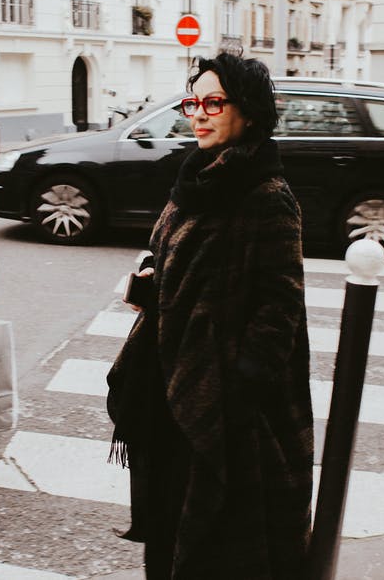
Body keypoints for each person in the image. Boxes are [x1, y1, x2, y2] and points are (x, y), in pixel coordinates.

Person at [106, 52, 314, 579]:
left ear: (247, 111)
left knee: (223, 541)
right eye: (192, 102)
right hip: (172, 382)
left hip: (223, 402)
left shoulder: (267, 195)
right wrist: (151, 281)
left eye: (213, 103)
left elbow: (280, 306)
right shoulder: (194, 180)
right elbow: (170, 258)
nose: (198, 114)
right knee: (172, 523)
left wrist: (239, 388)